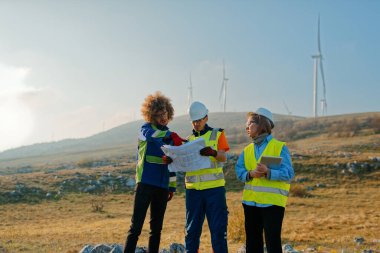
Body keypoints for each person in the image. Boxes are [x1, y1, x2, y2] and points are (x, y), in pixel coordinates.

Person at [124, 91, 185, 253]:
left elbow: (172, 164)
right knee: (135, 228)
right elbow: (152, 136)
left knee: (156, 230)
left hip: (162, 187)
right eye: (158, 115)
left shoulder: (170, 135)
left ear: (169, 111)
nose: (163, 117)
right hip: (145, 184)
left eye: (164, 113)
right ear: (151, 116)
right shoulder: (145, 129)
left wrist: (171, 188)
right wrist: (170, 134)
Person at [234, 108, 294, 253]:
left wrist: (269, 172)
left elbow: (289, 174)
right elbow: (239, 171)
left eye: (249, 124)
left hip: (272, 204)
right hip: (250, 204)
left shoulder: (279, 147)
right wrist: (250, 174)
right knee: (253, 244)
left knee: (273, 243)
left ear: (261, 124)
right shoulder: (247, 150)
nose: (246, 127)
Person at [184, 101, 230, 253]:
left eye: (199, 120)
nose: (196, 123)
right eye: (194, 121)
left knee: (218, 231)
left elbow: (224, 157)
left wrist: (214, 153)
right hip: (193, 192)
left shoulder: (217, 134)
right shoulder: (188, 140)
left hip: (214, 191)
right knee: (191, 232)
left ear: (206, 118)